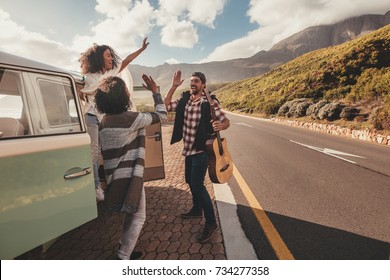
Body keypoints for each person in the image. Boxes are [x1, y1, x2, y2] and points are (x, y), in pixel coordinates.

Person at [95, 74, 167, 260]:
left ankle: (124, 247)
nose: (129, 92)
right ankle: (122, 256)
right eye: (126, 90)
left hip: (114, 176)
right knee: (139, 217)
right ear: (122, 96)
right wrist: (155, 92)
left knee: (131, 212)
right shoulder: (130, 119)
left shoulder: (104, 120)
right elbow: (161, 116)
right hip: (130, 176)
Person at [79, 38, 149, 201]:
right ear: (98, 58)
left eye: (111, 56)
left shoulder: (110, 73)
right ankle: (96, 186)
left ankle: (113, 183)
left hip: (104, 117)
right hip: (91, 116)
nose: (111, 59)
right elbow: (87, 92)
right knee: (94, 151)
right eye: (108, 56)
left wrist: (141, 49)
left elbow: (126, 61)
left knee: (108, 150)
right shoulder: (89, 77)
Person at [164, 71, 230, 243]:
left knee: (197, 185)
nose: (193, 83)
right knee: (189, 180)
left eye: (197, 81)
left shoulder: (209, 102)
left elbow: (226, 122)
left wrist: (220, 124)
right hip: (187, 150)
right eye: (192, 81)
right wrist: (173, 86)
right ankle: (196, 209)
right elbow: (166, 105)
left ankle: (211, 222)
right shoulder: (184, 100)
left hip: (201, 150)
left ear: (203, 85)